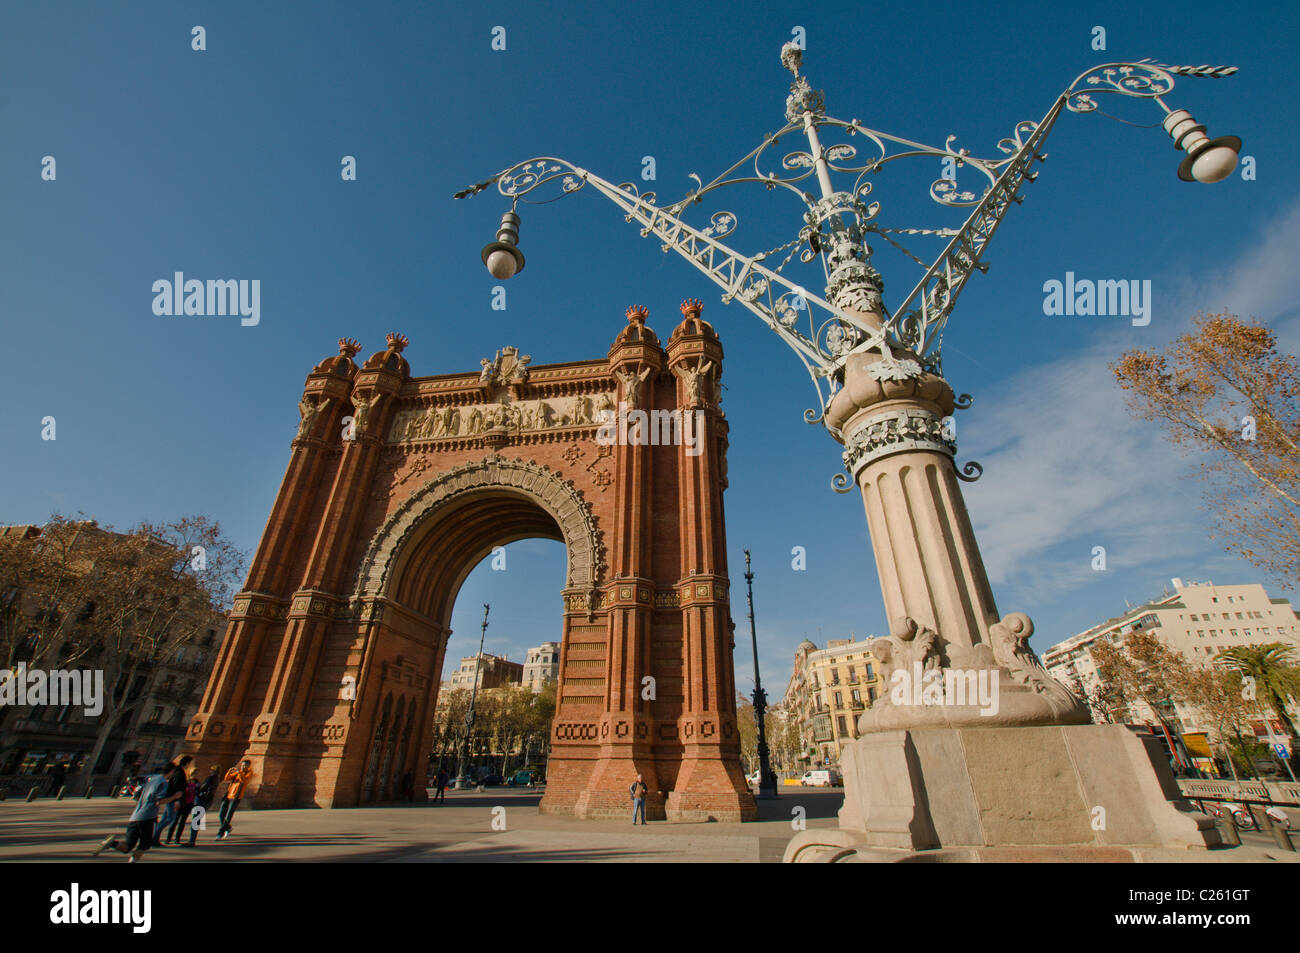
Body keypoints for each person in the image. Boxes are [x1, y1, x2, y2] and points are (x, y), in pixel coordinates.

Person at [92, 765, 177, 862]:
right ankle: (131, 860)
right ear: (171, 771)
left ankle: (112, 844)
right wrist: (174, 797)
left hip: (135, 816)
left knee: (128, 846)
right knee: (145, 845)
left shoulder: (151, 779)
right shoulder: (163, 783)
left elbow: (136, 796)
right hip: (148, 817)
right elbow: (159, 801)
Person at [153, 756, 192, 846]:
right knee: (170, 818)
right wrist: (176, 799)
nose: (190, 765)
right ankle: (154, 836)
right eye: (190, 763)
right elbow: (176, 786)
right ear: (187, 763)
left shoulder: (178, 771)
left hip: (172, 798)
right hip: (173, 799)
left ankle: (155, 838)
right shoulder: (179, 773)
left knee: (165, 818)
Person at [217, 759, 254, 840]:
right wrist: (229, 772)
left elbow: (244, 780)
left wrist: (239, 772)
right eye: (242, 765)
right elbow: (227, 778)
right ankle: (228, 827)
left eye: (245, 765)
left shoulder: (249, 773)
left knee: (229, 815)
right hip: (228, 795)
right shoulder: (238, 772)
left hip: (236, 797)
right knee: (221, 814)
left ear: (248, 766)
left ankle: (220, 832)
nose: (243, 766)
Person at [188, 765, 220, 847]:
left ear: (213, 770)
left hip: (202, 800)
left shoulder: (210, 778)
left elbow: (203, 788)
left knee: (196, 820)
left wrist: (197, 790)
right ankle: (192, 840)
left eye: (211, 769)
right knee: (197, 820)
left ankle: (191, 841)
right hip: (208, 800)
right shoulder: (217, 779)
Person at [165, 772, 199, 844]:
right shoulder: (185, 783)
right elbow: (180, 792)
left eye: (196, 774)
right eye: (194, 774)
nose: (195, 776)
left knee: (182, 822)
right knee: (175, 821)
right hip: (182, 803)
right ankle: (168, 838)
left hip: (189, 804)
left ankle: (177, 838)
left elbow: (197, 793)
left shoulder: (197, 784)